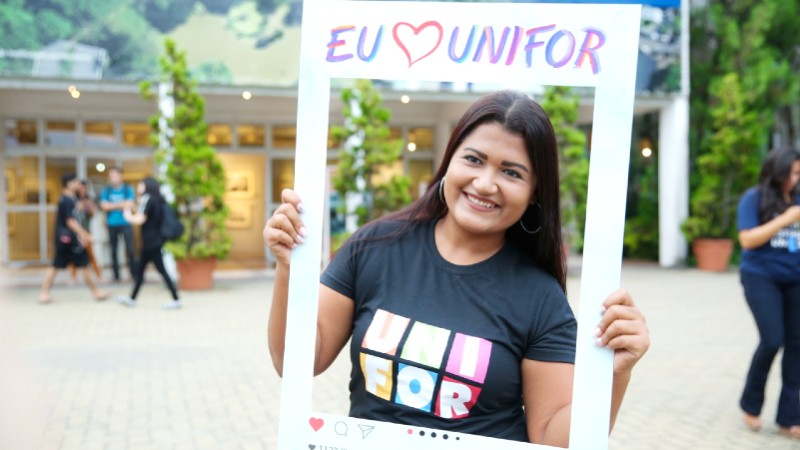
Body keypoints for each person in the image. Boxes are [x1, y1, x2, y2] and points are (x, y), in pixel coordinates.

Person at [263, 91, 649, 445]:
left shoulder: (540, 299)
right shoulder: (373, 247)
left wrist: (612, 377)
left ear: (534, 194)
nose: (484, 183)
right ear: (449, 161)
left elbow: (551, 438)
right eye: (474, 159)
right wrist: (289, 267)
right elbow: (297, 360)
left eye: (511, 172)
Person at [737, 147, 800, 438]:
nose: (796, 179)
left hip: (795, 279)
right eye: (794, 173)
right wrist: (785, 219)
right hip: (760, 277)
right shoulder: (755, 198)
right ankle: (751, 403)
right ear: (779, 172)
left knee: (797, 345)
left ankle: (789, 418)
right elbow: (748, 239)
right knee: (772, 339)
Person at [38, 173, 109, 304]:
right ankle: (43, 293)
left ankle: (96, 292)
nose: (79, 185)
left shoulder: (72, 199)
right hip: (67, 240)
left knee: (82, 264)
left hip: (71, 240)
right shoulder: (66, 200)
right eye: (76, 182)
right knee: (57, 265)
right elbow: (70, 221)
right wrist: (84, 234)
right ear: (69, 184)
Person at [115, 177, 182, 310]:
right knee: (141, 271)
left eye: (140, 185)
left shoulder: (148, 199)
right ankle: (132, 298)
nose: (138, 187)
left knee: (160, 271)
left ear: (146, 186)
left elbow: (140, 219)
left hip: (151, 243)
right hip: (154, 241)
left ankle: (176, 299)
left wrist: (127, 215)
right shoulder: (157, 200)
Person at [100, 167, 135, 282]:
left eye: (114, 175)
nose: (112, 178)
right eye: (110, 176)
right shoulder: (106, 191)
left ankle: (133, 273)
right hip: (112, 223)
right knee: (113, 250)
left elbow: (130, 204)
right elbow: (104, 206)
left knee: (130, 249)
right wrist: (122, 205)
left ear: (120, 176)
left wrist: (112, 205)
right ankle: (116, 275)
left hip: (126, 222)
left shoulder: (127, 189)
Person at [69, 180, 102, 283]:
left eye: (84, 188)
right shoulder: (72, 200)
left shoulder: (88, 199)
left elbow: (93, 213)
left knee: (91, 254)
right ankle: (73, 278)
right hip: (75, 231)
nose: (82, 190)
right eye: (80, 187)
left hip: (85, 230)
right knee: (73, 255)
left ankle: (99, 275)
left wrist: (89, 206)